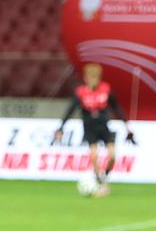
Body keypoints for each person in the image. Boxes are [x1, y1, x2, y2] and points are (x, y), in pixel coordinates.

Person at [54, 63, 137, 199]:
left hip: (103, 126)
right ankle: (101, 182)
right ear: (86, 78)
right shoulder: (81, 92)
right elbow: (70, 111)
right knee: (94, 155)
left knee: (112, 155)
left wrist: (126, 125)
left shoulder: (105, 89)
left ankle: (104, 177)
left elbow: (116, 108)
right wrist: (61, 128)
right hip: (89, 127)